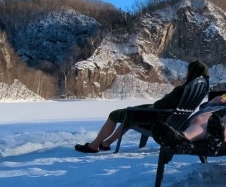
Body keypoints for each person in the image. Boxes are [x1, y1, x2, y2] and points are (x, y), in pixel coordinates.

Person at [74, 60, 209, 153]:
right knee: (130, 114)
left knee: (115, 114)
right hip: (171, 119)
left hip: (158, 118)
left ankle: (94, 146)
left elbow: (161, 104)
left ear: (192, 73)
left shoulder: (182, 89)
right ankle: (106, 143)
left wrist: (151, 107)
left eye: (188, 71)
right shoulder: (197, 89)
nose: (186, 74)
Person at [152, 83, 226, 153]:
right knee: (199, 119)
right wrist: (212, 103)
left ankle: (218, 137)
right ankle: (182, 140)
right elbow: (201, 109)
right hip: (215, 110)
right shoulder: (222, 98)